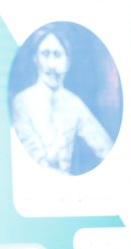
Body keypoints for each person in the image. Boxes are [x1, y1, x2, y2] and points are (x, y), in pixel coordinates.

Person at [10, 24, 114, 175]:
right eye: (45, 54)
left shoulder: (74, 104)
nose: (52, 65)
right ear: (35, 59)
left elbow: (105, 147)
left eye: (57, 55)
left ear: (67, 62)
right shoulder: (22, 102)